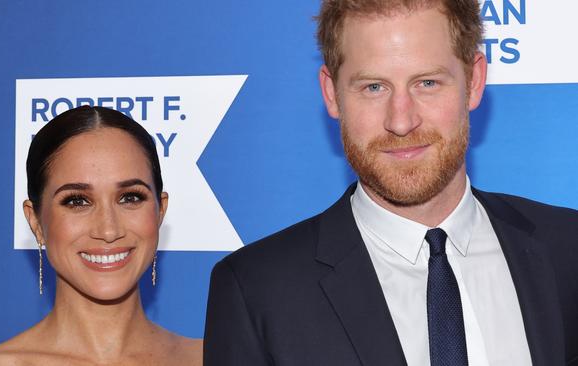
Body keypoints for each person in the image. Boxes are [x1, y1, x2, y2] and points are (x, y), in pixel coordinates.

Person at [204, 1, 578, 365]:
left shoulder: (567, 248)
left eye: (427, 83)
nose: (401, 121)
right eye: (373, 88)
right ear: (332, 93)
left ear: (475, 81)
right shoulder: (256, 290)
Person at [0, 106, 202, 365]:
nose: (108, 230)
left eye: (130, 197)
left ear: (160, 210)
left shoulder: (222, 356)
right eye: (77, 201)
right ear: (35, 221)